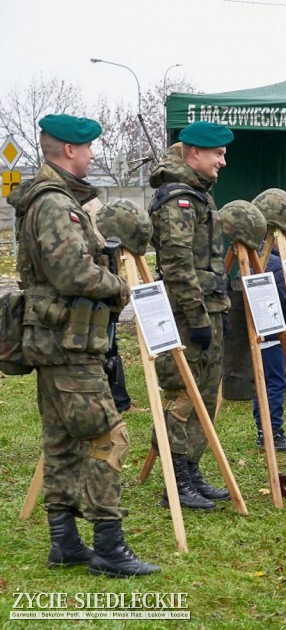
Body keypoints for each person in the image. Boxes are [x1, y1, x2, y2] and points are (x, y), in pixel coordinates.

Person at [12, 114, 158, 576]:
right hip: (69, 343)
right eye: (89, 148)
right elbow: (71, 273)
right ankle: (109, 547)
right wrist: (118, 286)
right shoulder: (56, 203)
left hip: (56, 341)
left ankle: (65, 542)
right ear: (70, 151)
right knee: (107, 436)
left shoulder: (46, 198)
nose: (94, 155)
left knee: (61, 443)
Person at [149, 120, 234, 510]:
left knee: (205, 395)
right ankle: (176, 477)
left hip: (207, 307)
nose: (223, 161)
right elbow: (178, 263)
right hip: (186, 312)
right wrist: (197, 316)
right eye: (217, 154)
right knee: (182, 395)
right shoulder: (178, 199)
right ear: (194, 153)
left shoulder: (200, 194)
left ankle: (191, 468)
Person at [253, 246, 286, 451]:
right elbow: (284, 298)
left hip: (256, 332)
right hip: (272, 333)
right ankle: (273, 432)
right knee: (274, 383)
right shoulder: (273, 264)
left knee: (262, 383)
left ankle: (264, 431)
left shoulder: (247, 262)